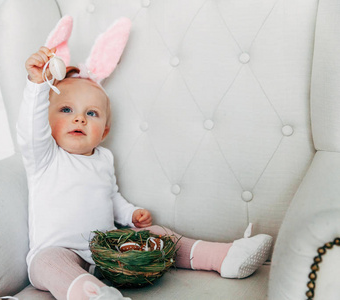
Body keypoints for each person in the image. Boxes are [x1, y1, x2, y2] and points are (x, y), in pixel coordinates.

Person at [16, 17, 272, 300]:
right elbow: (30, 130)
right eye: (65, 110)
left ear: (105, 131)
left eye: (92, 113)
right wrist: (38, 86)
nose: (79, 117)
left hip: (109, 254)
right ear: (47, 121)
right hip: (59, 251)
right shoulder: (45, 157)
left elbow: (110, 197)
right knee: (47, 263)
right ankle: (93, 295)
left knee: (159, 234)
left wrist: (130, 214)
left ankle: (223, 256)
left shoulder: (103, 159)